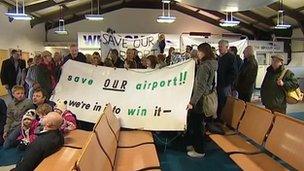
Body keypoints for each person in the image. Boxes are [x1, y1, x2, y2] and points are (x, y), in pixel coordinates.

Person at [186, 43, 218, 158]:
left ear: (203, 52)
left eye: (199, 52)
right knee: (196, 124)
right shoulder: (212, 64)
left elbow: (200, 87)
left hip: (200, 101)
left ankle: (199, 150)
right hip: (204, 98)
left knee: (198, 126)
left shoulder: (204, 66)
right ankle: (194, 145)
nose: (198, 54)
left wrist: (192, 102)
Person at [216, 40, 238, 119]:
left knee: (224, 103)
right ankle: (219, 118)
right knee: (219, 103)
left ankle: (223, 120)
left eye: (221, 46)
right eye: (218, 46)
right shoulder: (219, 58)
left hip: (225, 85)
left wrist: (227, 83)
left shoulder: (230, 58)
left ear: (226, 47)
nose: (219, 48)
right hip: (219, 84)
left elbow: (234, 72)